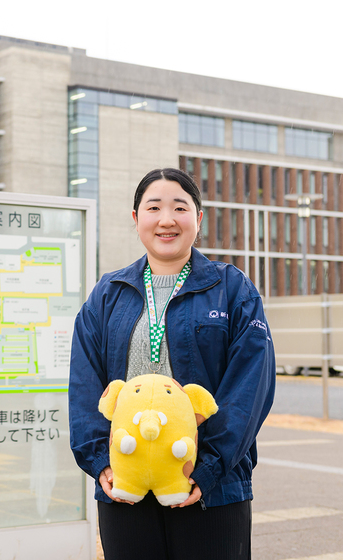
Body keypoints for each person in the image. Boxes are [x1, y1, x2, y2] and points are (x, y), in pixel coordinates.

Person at [69, 168, 275, 560]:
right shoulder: (108, 293)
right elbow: (84, 383)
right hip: (125, 485)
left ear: (198, 218)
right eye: (154, 208)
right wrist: (101, 463)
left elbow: (250, 386)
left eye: (180, 208)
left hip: (209, 489)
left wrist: (208, 468)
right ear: (136, 219)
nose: (167, 219)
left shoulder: (232, 289)